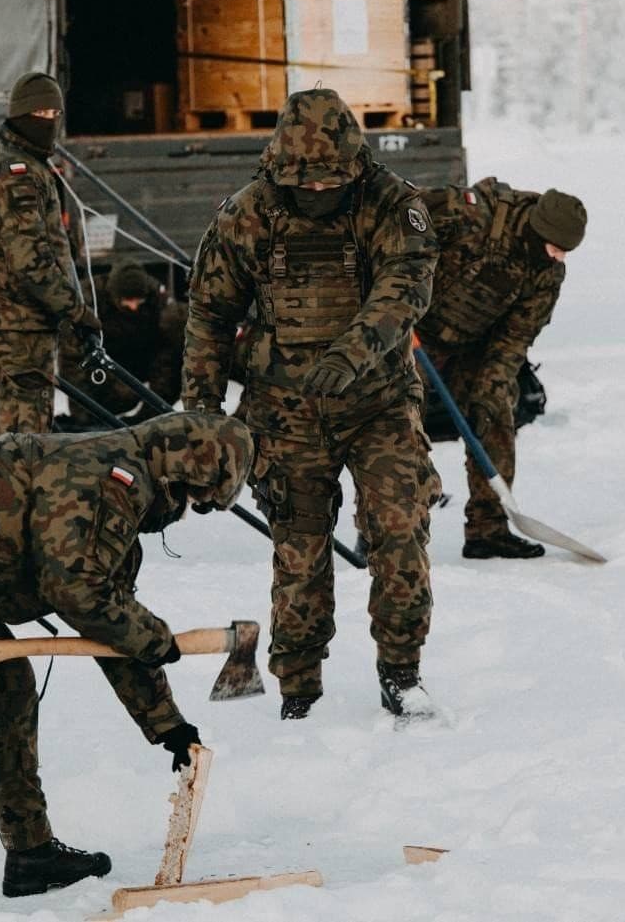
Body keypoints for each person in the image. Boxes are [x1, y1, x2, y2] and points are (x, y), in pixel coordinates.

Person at [0, 412, 254, 900]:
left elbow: (111, 626)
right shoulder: (107, 482)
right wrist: (154, 638)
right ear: (176, 472)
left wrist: (168, 725)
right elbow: (77, 592)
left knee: (10, 690)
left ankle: (31, 854)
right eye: (191, 499)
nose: (184, 514)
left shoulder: (120, 497)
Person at [183, 87, 442, 722]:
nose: (319, 192)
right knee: (298, 551)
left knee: (399, 529)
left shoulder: (391, 204)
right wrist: (202, 421)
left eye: (332, 183)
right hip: (284, 412)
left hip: (377, 403)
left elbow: (406, 286)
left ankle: (401, 671)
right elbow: (210, 316)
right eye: (307, 184)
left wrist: (353, 352)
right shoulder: (248, 213)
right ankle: (298, 687)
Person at [414, 179, 587, 559]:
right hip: (413, 329)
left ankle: (488, 529)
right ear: (537, 230)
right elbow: (392, 229)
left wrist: (490, 389)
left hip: (475, 342)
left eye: (566, 252)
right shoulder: (471, 215)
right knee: (394, 422)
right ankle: (384, 532)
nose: (559, 258)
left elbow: (514, 338)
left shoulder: (547, 273)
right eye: (555, 248)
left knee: (495, 410)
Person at [0, 72, 100, 440]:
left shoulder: (1, 160)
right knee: (23, 453)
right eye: (40, 114)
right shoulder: (16, 172)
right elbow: (29, 262)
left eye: (55, 114)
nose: (49, 122)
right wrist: (76, 311)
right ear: (20, 114)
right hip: (16, 336)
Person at [58, 262, 186, 429]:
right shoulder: (88, 299)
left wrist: (151, 414)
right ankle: (93, 420)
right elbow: (72, 361)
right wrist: (83, 418)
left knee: (168, 367)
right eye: (128, 301)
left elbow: (167, 359)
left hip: (141, 356)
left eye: (138, 301)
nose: (133, 307)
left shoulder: (159, 301)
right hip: (101, 362)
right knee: (124, 396)